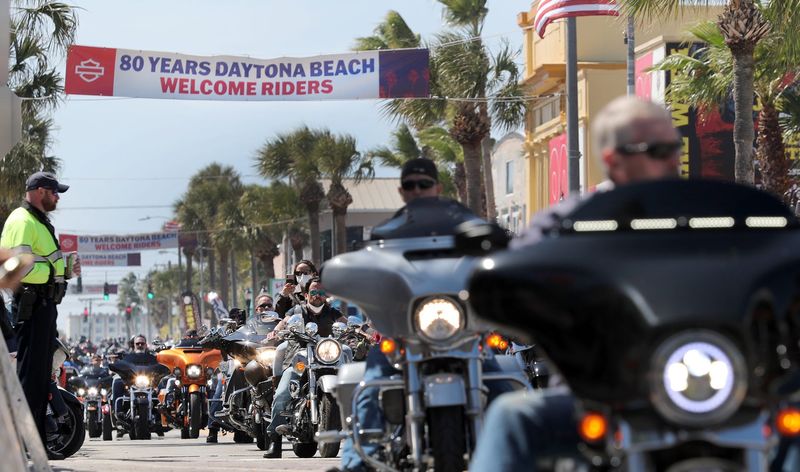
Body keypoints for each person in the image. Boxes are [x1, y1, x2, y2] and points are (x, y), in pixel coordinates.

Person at [469, 96, 682, 472]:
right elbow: (515, 275)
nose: (673, 159)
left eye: (675, 147)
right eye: (658, 150)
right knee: (512, 416)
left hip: (711, 382)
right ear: (614, 159)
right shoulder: (566, 223)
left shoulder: (708, 212)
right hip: (599, 393)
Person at [332, 158, 512, 472]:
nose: (418, 190)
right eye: (411, 185)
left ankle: (516, 454)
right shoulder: (387, 237)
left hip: (464, 334)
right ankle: (356, 463)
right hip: (404, 337)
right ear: (402, 191)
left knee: (505, 386)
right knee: (370, 386)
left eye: (424, 183)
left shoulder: (466, 227)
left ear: (437, 187)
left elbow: (491, 256)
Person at [0, 172, 77, 459]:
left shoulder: (39, 221)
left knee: (39, 379)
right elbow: (16, 267)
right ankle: (22, 445)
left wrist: (65, 270)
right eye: (54, 192)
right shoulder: (21, 221)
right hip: (32, 307)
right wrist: (52, 274)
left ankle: (36, 444)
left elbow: (42, 263)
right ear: (40, 191)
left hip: (45, 307)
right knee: (29, 380)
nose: (57, 197)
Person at [263, 279, 347, 458]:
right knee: (283, 393)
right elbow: (283, 323)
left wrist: (366, 332)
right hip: (299, 360)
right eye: (314, 292)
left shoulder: (332, 312)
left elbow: (348, 324)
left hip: (326, 360)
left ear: (326, 296)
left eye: (321, 293)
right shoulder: (297, 311)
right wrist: (276, 331)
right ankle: (274, 440)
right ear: (307, 294)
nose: (317, 296)